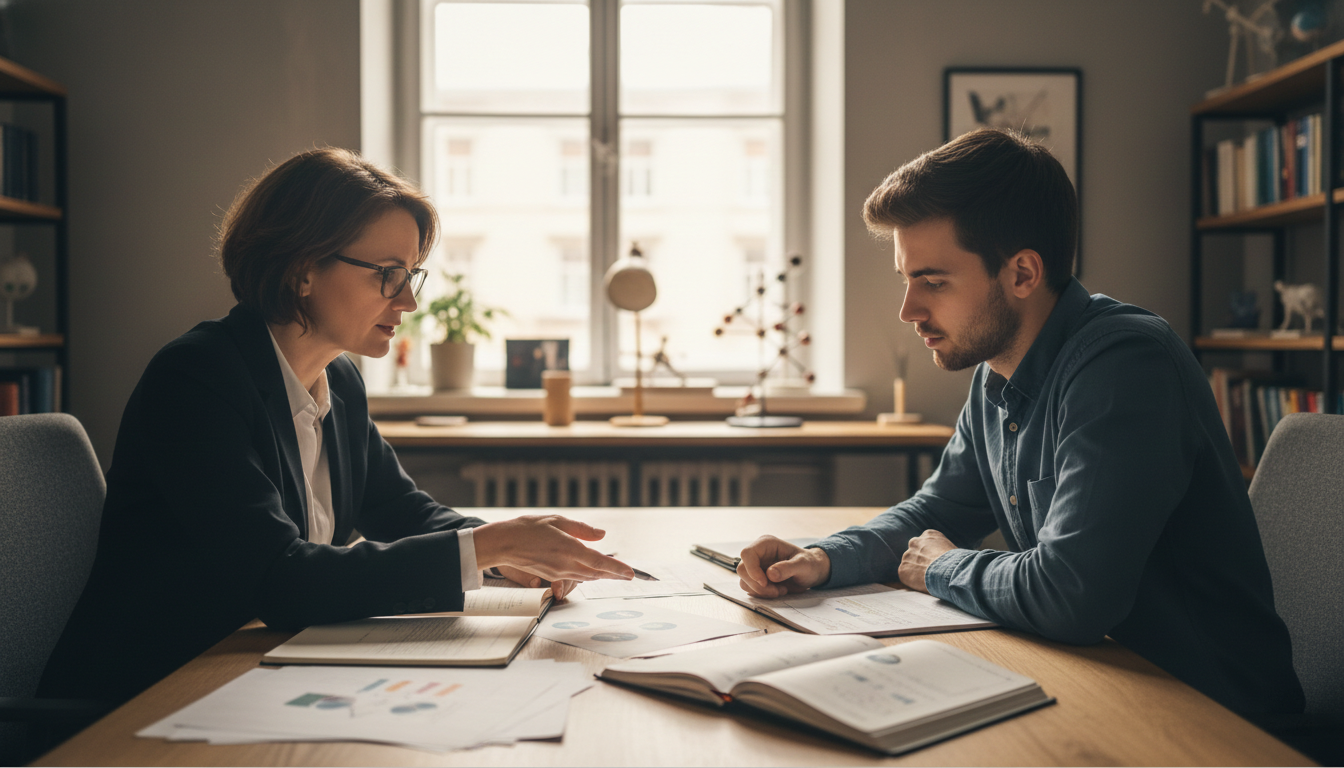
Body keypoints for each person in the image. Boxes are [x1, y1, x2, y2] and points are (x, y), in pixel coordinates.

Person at [735, 128, 1304, 717]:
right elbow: (938, 511)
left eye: (932, 281)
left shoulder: (1127, 366)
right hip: (1102, 682)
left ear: (1023, 274)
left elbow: (1070, 594)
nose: (909, 310)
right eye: (907, 280)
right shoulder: (998, 373)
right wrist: (823, 559)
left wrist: (942, 567)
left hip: (1212, 716)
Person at [38, 148, 634, 706]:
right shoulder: (196, 379)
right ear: (302, 271)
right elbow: (281, 579)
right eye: (388, 274)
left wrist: (507, 553)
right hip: (150, 697)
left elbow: (405, 512)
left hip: (259, 675)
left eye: (412, 275)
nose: (408, 302)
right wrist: (491, 545)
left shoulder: (339, 382)